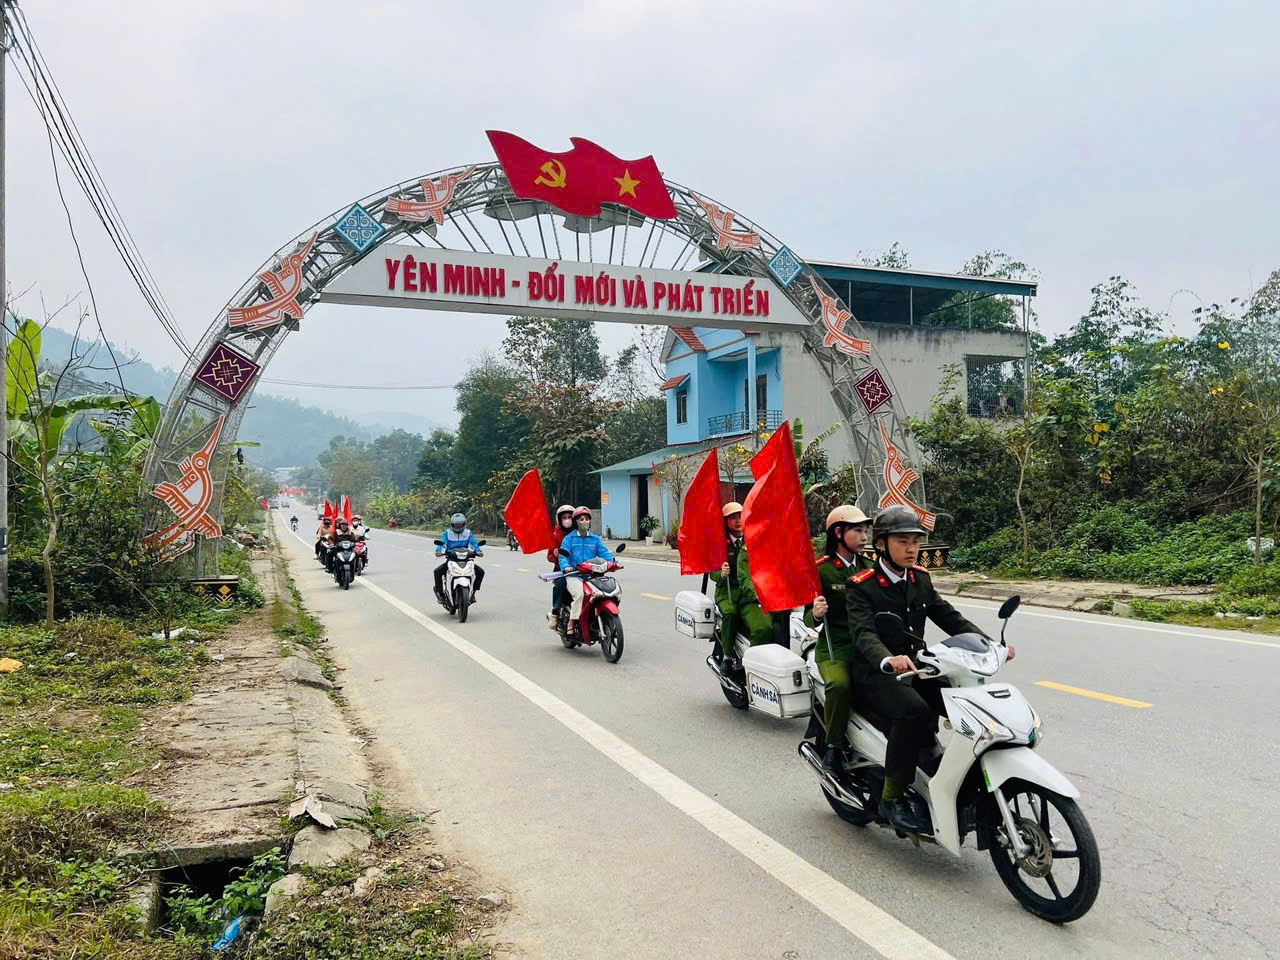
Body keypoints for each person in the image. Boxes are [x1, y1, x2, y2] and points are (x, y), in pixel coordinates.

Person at [845, 505, 1011, 833]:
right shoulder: (862, 585)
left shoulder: (920, 579)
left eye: (915, 542)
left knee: (965, 703)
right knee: (914, 711)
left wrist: (992, 644)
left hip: (916, 668)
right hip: (875, 672)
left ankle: (950, 778)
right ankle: (891, 798)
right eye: (903, 541)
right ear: (881, 544)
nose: (911, 549)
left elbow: (950, 617)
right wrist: (887, 659)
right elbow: (863, 634)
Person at [805, 505, 875, 775]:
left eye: (865, 530)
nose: (864, 536)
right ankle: (833, 748)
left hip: (867, 645)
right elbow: (808, 618)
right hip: (836, 646)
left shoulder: (870, 567)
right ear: (838, 532)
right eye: (857, 530)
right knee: (840, 684)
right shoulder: (821, 570)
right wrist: (817, 612)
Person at [558, 507, 618, 635]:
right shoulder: (569, 539)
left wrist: (614, 563)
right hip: (574, 575)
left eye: (587, 519)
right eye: (581, 519)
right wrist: (566, 567)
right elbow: (563, 556)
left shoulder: (595, 539)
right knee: (580, 595)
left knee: (606, 592)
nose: (584, 521)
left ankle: (599, 615)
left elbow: (604, 553)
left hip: (592, 575)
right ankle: (572, 621)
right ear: (576, 522)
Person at [707, 502, 750, 675]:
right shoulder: (720, 544)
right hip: (727, 591)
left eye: (740, 516)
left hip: (748, 590)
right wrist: (722, 574)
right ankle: (727, 656)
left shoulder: (750, 538)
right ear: (725, 522)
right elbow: (712, 574)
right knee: (731, 613)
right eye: (733, 518)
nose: (738, 521)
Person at [434, 513, 484, 604]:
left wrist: (478, 551)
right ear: (452, 524)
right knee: (437, 572)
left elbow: (474, 543)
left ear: (464, 524)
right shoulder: (447, 533)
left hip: (466, 558)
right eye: (456, 524)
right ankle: (440, 594)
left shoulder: (468, 533)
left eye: (460, 524)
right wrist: (439, 551)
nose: (458, 526)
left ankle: (473, 593)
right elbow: (442, 543)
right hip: (452, 558)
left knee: (481, 572)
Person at [545, 504, 576, 629]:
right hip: (561, 570)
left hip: (580, 569)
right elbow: (549, 557)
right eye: (565, 517)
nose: (567, 520)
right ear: (560, 519)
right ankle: (555, 612)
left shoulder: (579, 534)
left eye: (570, 517)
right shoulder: (555, 536)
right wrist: (554, 554)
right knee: (561, 584)